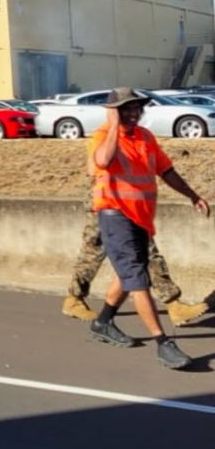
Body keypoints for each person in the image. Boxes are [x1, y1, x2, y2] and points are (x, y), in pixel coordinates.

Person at [86, 87, 210, 370]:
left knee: (128, 272)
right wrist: (114, 125)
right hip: (114, 214)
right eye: (126, 109)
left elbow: (166, 171)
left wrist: (193, 195)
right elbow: (103, 161)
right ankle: (163, 343)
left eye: (136, 108)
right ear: (114, 112)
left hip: (141, 218)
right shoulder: (103, 137)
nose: (133, 114)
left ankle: (102, 322)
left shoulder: (145, 137)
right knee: (137, 278)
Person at [61, 189, 208, 326]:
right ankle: (75, 298)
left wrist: (191, 195)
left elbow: (162, 169)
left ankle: (173, 304)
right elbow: (99, 165)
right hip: (107, 199)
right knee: (95, 250)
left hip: (130, 200)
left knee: (144, 250)